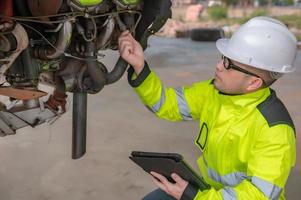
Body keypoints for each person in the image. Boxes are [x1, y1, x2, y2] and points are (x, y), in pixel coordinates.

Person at [118, 16, 297, 200]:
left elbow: (257, 195)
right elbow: (167, 104)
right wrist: (140, 67)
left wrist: (192, 195)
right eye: (223, 58)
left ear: (253, 83)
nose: (218, 66)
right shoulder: (213, 93)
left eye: (229, 64)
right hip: (208, 192)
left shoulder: (275, 130)